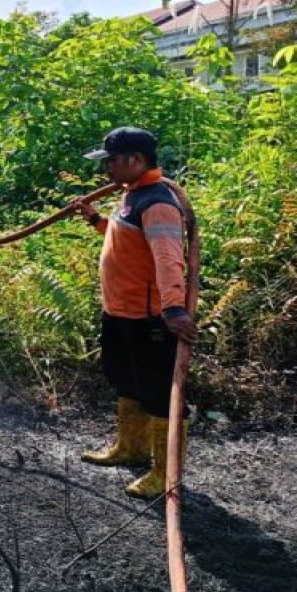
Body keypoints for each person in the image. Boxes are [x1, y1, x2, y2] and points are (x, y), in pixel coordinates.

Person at [72, 126, 198, 499]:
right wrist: (96, 220)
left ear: (136, 160)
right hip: (120, 312)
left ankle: (165, 472)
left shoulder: (157, 201)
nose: (106, 168)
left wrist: (174, 309)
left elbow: (168, 257)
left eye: (111, 161)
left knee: (159, 392)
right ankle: (130, 448)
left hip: (150, 318)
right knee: (125, 380)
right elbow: (127, 238)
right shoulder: (133, 196)